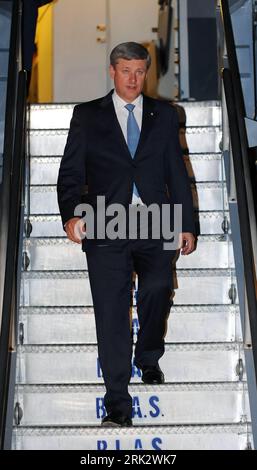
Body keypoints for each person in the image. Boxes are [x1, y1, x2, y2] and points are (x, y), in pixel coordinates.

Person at [57, 42, 195, 427]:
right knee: (112, 313)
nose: (133, 80)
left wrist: (186, 223)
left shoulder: (164, 115)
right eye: (126, 71)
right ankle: (116, 401)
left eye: (139, 72)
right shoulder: (87, 116)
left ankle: (148, 356)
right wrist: (70, 215)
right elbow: (69, 174)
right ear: (112, 72)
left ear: (145, 73)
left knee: (155, 288)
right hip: (104, 223)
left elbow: (175, 173)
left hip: (154, 221)